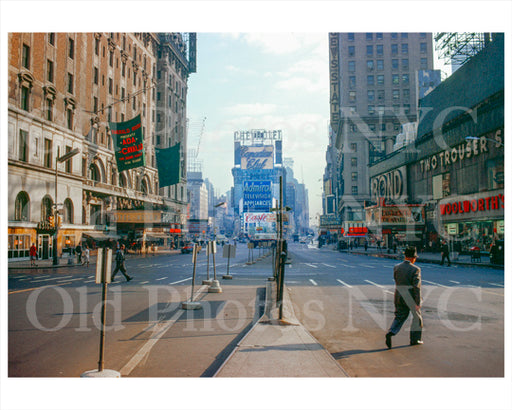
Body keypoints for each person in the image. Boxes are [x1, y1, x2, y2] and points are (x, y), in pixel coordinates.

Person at [385, 246, 423, 349]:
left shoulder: (397, 267)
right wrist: (418, 302)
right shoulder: (415, 269)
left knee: (400, 316)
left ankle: (391, 332)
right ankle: (414, 339)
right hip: (410, 297)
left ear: (405, 256)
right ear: (413, 258)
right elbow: (417, 287)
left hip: (398, 295)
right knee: (417, 318)